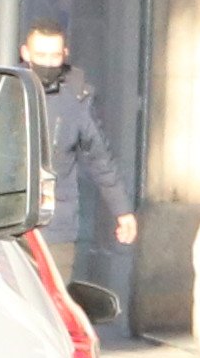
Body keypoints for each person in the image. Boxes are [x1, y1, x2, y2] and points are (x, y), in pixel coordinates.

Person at [20, 23, 132, 319]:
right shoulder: (6, 89)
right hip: (7, 224)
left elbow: (100, 158)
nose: (46, 63)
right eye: (40, 54)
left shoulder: (76, 99)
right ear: (25, 53)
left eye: (54, 56)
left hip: (56, 226)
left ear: (65, 55)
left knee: (52, 312)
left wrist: (122, 211)